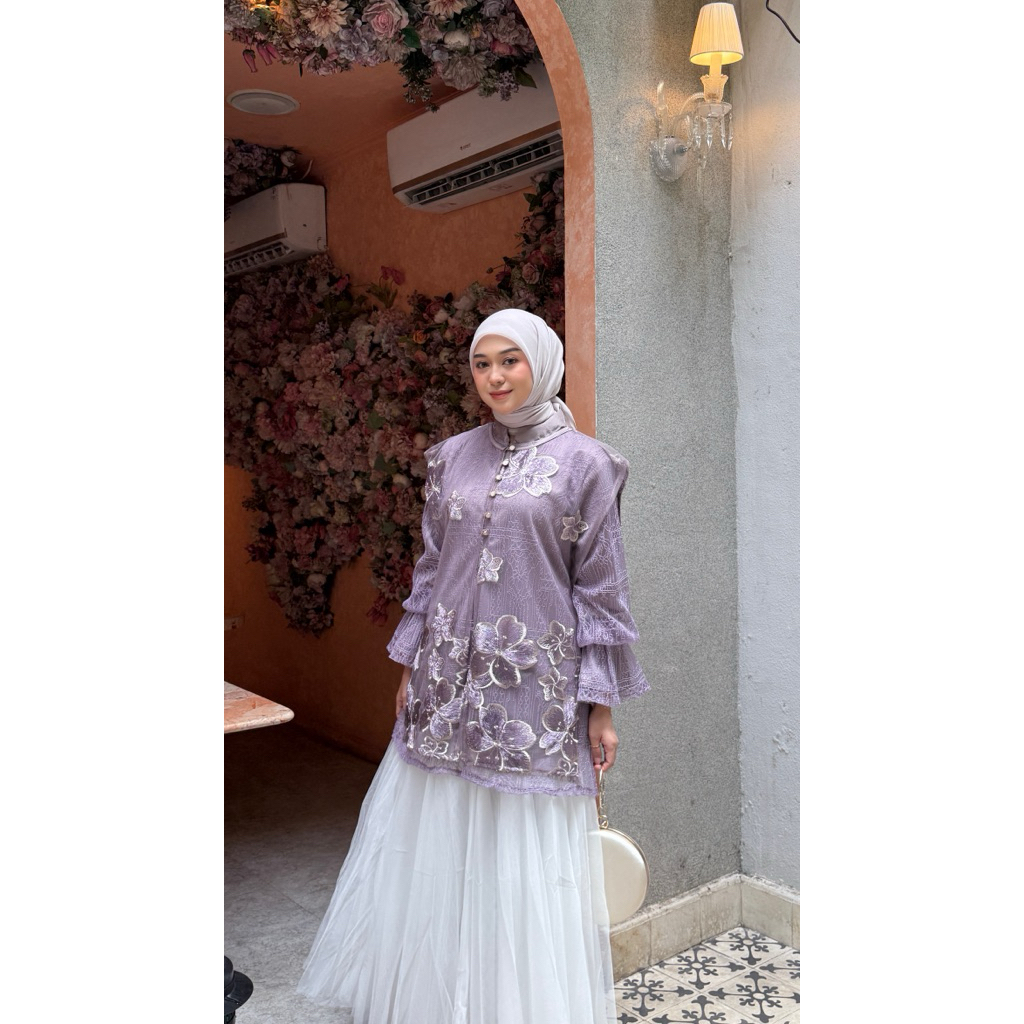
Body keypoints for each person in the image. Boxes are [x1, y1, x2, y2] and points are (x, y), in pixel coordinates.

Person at [297, 309, 649, 1024]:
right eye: (482, 363)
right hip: (443, 686)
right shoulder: (452, 457)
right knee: (440, 845)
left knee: (517, 857)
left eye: (509, 360)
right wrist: (409, 663)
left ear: (541, 363)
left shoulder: (588, 464)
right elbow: (431, 569)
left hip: (535, 693)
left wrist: (601, 704)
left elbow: (600, 588)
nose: (494, 377)